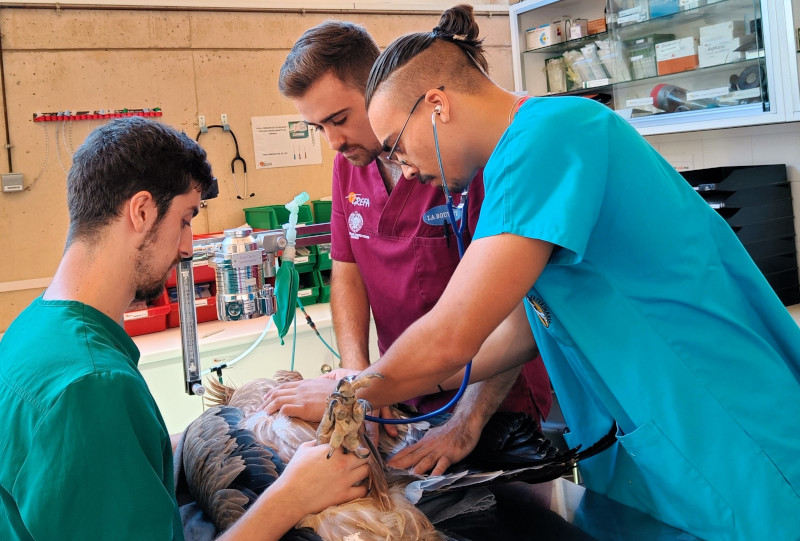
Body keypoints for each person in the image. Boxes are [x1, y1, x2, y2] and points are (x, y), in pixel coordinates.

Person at [270, 5, 800, 541]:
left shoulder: (552, 135)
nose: (403, 167)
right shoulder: (511, 162)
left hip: (714, 412)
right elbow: (515, 333)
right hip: (641, 425)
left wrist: (351, 394)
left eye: (399, 146)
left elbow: (454, 334)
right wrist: (389, 382)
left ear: (437, 105)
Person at [0, 117, 369, 541]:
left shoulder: (31, 330)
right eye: (186, 219)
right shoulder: (92, 386)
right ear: (141, 211)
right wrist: (291, 496)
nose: (189, 246)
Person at [273, 20, 552, 475]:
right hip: (401, 392)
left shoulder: (483, 158)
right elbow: (348, 271)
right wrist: (357, 375)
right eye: (317, 127)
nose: (334, 143)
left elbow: (507, 317)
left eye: (340, 119)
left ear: (382, 88)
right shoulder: (352, 166)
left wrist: (462, 420)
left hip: (491, 400)